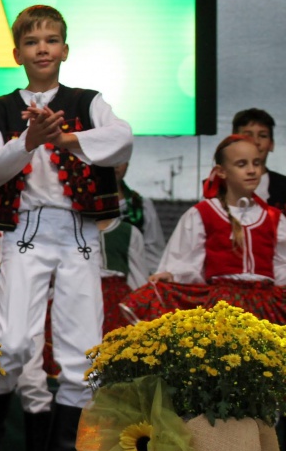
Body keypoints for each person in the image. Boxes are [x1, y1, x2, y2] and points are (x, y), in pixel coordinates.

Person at [0, 5, 132, 451]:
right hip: (25, 230)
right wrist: (29, 141)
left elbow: (122, 139)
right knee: (13, 344)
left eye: (51, 39)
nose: (42, 48)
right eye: (32, 41)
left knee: (83, 354)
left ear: (65, 48)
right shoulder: (0, 111)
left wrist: (65, 139)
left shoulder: (87, 102)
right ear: (16, 52)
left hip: (79, 230)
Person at [120, 135, 286, 324]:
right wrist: (172, 275)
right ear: (221, 171)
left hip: (265, 305)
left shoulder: (273, 217)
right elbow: (186, 262)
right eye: (241, 164)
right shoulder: (203, 213)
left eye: (256, 163)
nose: (251, 170)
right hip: (220, 305)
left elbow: (281, 266)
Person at [233, 108, 286, 210]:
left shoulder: (284, 187)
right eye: (248, 135)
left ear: (271, 144)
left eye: (262, 136)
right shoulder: (215, 188)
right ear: (233, 143)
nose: (256, 142)